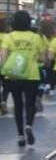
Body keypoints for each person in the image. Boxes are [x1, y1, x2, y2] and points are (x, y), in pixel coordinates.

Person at [0, 11, 47, 146]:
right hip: (31, 74)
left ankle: (20, 135)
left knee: (18, 104)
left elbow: (3, 56)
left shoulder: (9, 37)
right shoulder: (36, 38)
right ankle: (29, 126)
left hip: (15, 74)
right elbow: (43, 58)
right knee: (30, 103)